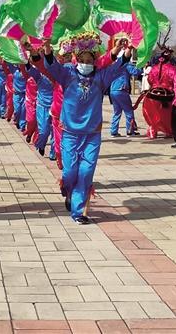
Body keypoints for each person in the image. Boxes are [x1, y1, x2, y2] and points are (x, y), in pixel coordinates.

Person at [38, 33, 130, 225]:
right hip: (70, 134)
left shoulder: (101, 77)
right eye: (82, 60)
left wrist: (127, 49)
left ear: (94, 61)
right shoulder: (67, 74)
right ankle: (69, 190)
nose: (85, 64)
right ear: (76, 60)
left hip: (92, 135)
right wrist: (46, 47)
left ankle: (79, 212)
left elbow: (119, 67)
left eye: (89, 61)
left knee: (86, 172)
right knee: (70, 172)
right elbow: (51, 66)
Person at [143, 48, 176, 138]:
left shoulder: (154, 68)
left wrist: (155, 85)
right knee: (166, 115)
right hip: (167, 95)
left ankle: (152, 131)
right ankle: (168, 131)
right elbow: (175, 81)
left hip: (153, 94)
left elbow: (150, 79)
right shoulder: (172, 69)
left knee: (153, 114)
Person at [109, 57, 142, 137]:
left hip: (113, 90)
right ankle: (130, 130)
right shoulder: (125, 64)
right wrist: (141, 66)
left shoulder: (114, 65)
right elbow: (135, 72)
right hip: (121, 90)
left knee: (117, 112)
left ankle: (113, 131)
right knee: (129, 111)